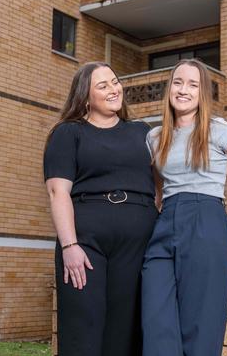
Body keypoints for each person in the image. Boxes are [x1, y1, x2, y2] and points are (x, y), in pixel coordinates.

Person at [142, 59, 227, 356]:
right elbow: (158, 191)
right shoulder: (153, 137)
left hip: (206, 221)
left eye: (193, 84)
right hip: (165, 226)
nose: (183, 90)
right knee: (155, 321)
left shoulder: (218, 130)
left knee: (200, 330)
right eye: (177, 82)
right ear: (169, 88)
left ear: (202, 94)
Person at [44, 62, 158, 356]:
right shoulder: (68, 133)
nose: (113, 89)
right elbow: (58, 192)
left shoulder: (142, 132)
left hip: (137, 243)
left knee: (126, 328)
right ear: (85, 97)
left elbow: (160, 183)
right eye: (102, 85)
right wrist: (70, 245)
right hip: (85, 244)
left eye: (115, 82)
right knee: (84, 325)